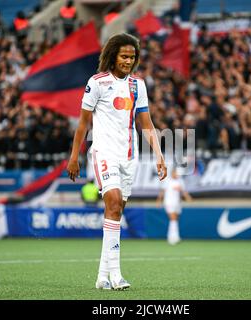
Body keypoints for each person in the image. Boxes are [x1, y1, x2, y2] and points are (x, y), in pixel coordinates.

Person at [67, 33, 167, 290]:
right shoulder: (97, 83)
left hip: (129, 157)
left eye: (132, 57)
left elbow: (146, 123)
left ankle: (101, 276)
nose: (128, 60)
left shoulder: (138, 85)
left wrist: (158, 154)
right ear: (113, 56)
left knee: (116, 211)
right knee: (112, 202)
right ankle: (116, 275)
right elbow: (83, 124)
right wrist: (74, 157)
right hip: (104, 153)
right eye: (124, 56)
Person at [156, 167, 192, 245]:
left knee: (175, 220)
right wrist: (158, 201)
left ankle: (172, 236)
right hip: (169, 202)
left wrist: (188, 197)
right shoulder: (167, 181)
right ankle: (173, 237)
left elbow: (183, 191)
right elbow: (162, 192)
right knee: (173, 219)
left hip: (177, 203)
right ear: (173, 173)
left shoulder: (180, 181)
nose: (177, 175)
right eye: (176, 173)